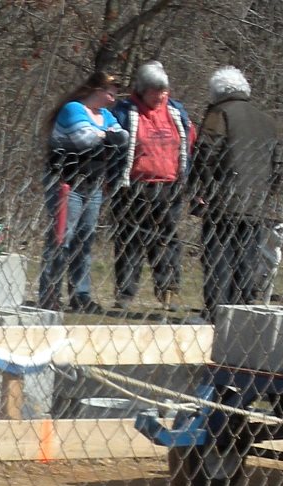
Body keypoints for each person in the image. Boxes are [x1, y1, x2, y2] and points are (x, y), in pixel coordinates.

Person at [191, 65, 283, 322]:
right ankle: (241, 313)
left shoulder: (219, 114)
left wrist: (202, 189)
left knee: (218, 257)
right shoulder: (268, 121)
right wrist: (267, 192)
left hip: (223, 201)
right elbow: (278, 164)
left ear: (217, 92)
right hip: (256, 202)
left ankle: (215, 312)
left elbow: (206, 153)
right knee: (247, 257)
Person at [37, 71, 128, 313]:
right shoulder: (73, 109)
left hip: (93, 183)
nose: (113, 98)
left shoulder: (106, 116)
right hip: (67, 182)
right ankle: (49, 292)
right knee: (61, 238)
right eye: (110, 92)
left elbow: (124, 138)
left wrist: (104, 135)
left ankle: (81, 294)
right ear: (96, 90)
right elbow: (82, 140)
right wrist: (107, 135)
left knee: (85, 240)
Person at [110, 61, 196, 312]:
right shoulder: (125, 111)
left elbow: (190, 140)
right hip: (133, 187)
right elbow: (114, 144)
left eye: (163, 91)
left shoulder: (175, 112)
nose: (159, 96)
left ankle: (168, 292)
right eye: (154, 91)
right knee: (130, 240)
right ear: (142, 90)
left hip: (169, 186)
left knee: (166, 241)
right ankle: (125, 294)